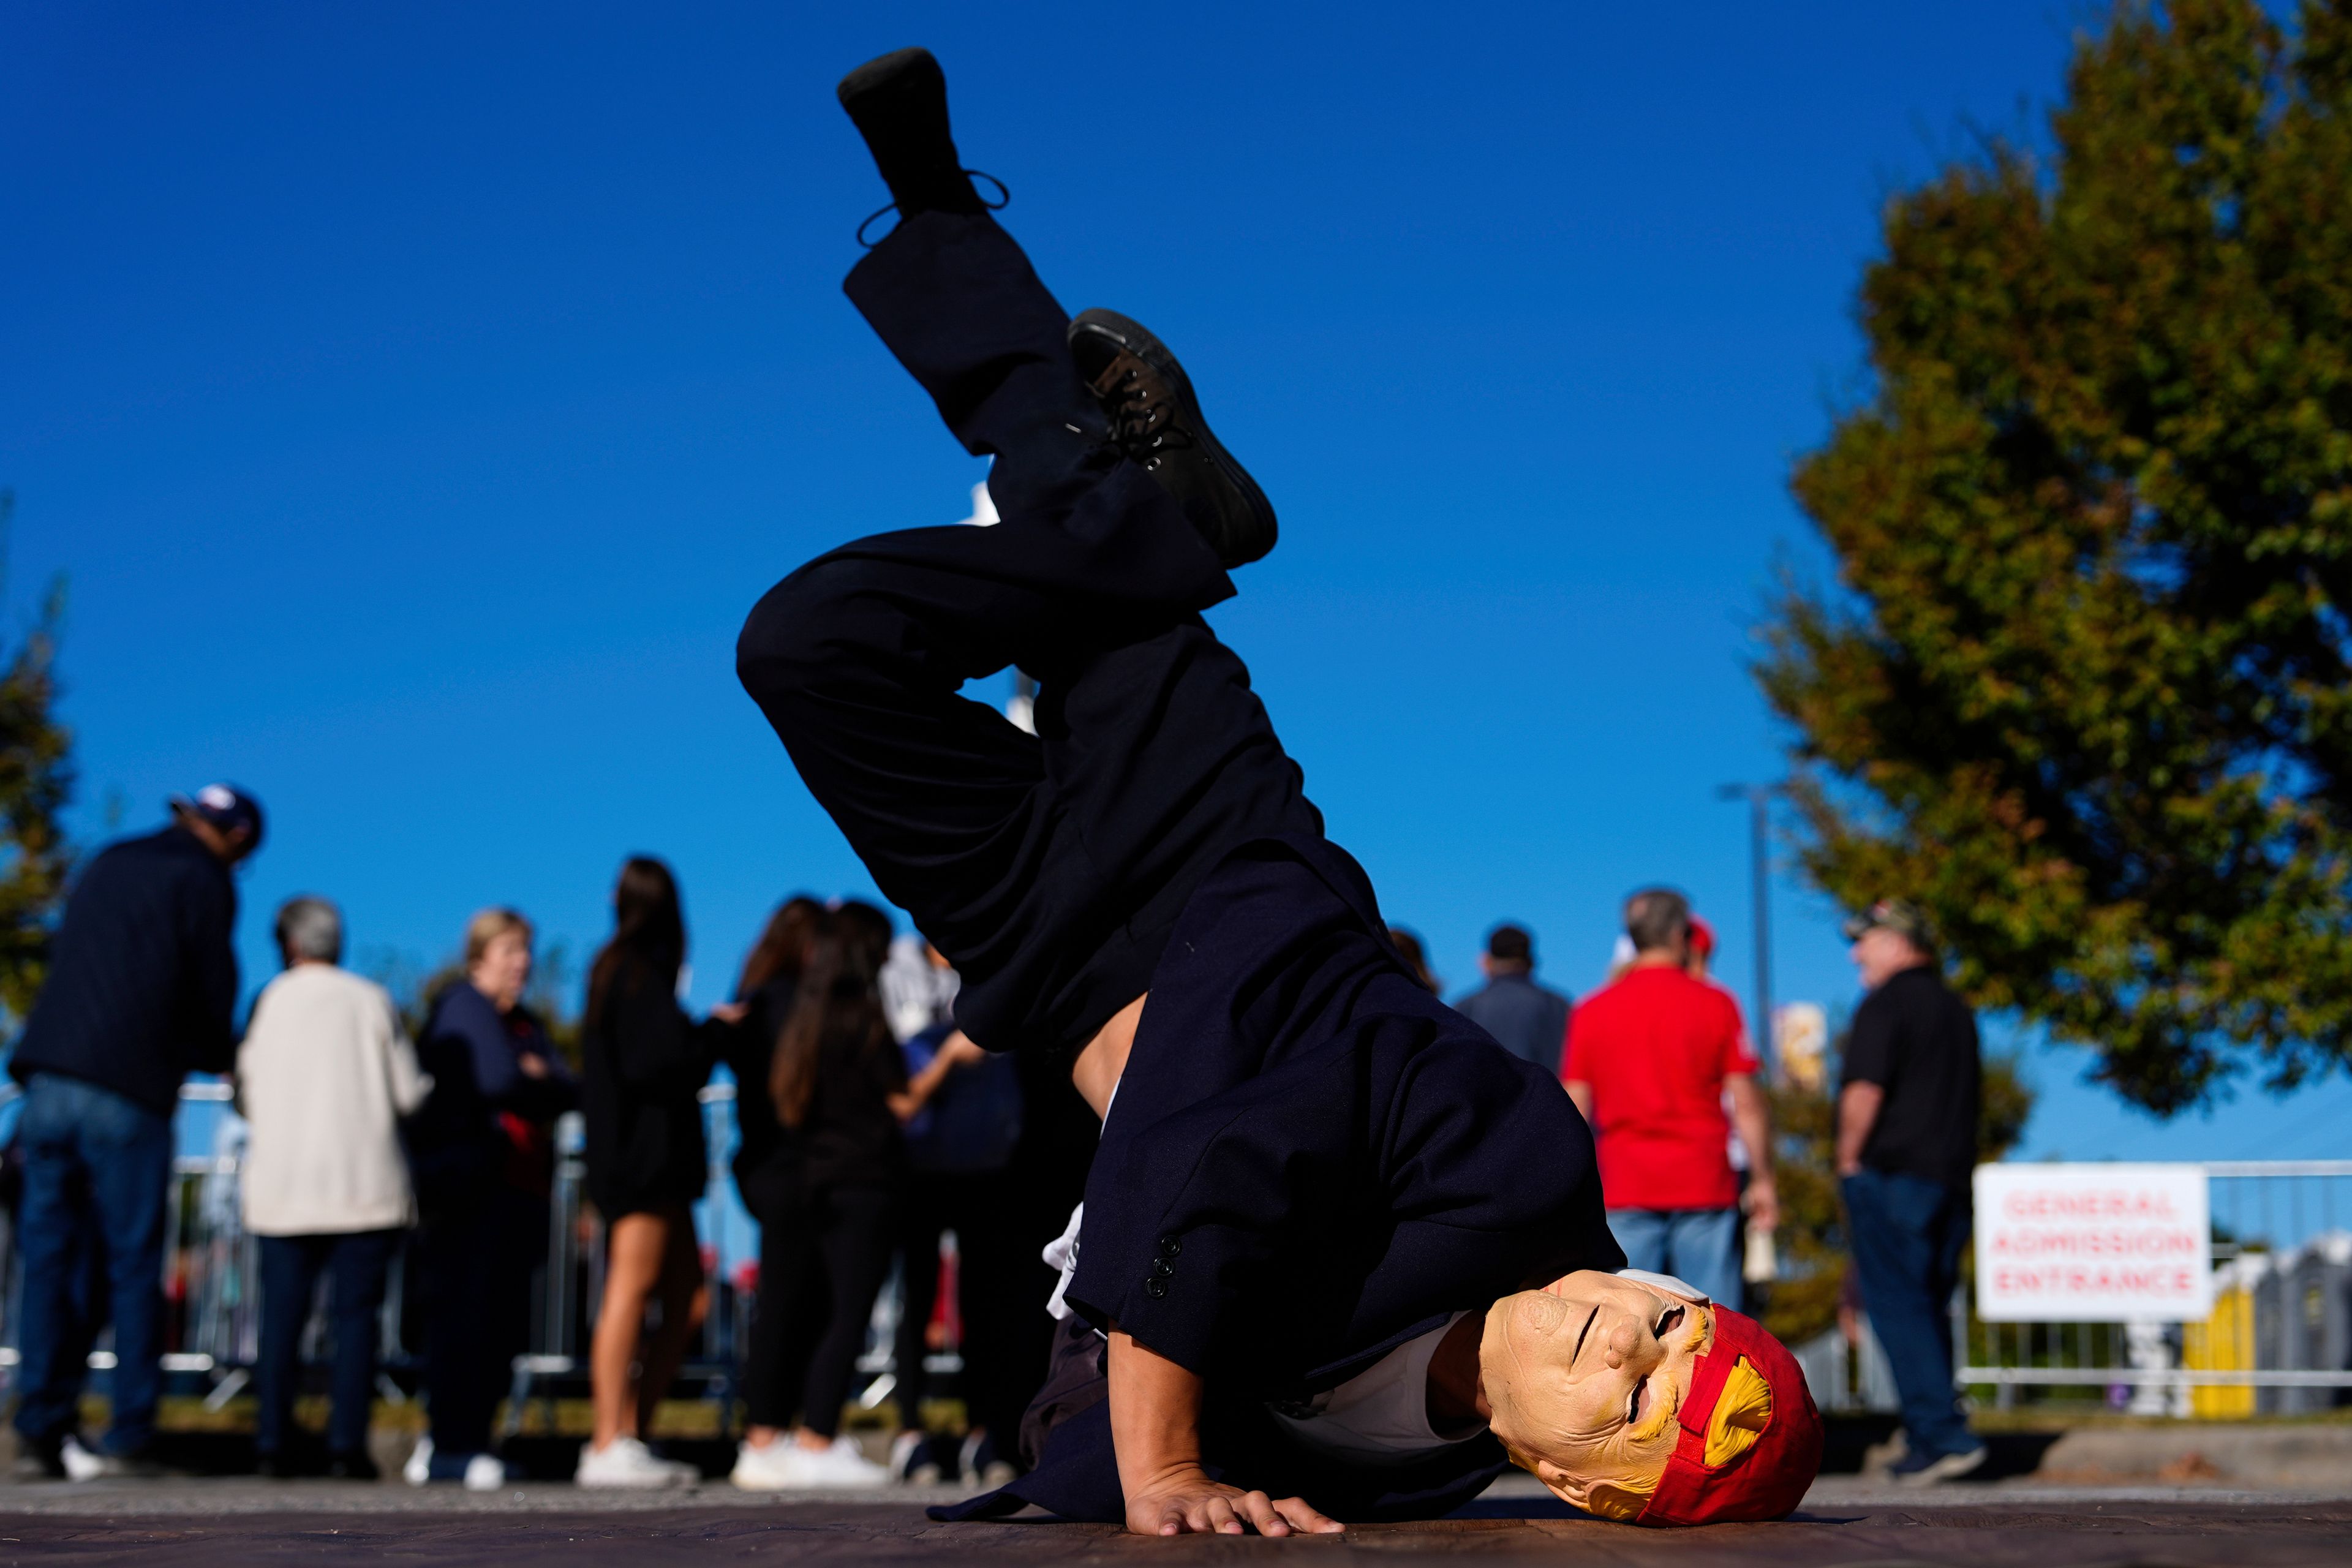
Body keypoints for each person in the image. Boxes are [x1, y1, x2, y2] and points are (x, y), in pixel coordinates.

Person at [733, 48, 1820, 1534]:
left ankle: (1151, 521)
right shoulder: (1523, 1174)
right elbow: (1238, 1115)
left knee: (806, 650)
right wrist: (1164, 1456)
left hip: (1051, 963)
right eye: (1680, 1326)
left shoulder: (1394, 1469)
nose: (1629, 1339)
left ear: (1570, 1480)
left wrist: (1118, 1433)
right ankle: (974, 276)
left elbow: (1067, 1436)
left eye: (1635, 1405)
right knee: (997, 526)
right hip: (1215, 861)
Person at [9, 784, 262, 1480]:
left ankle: (38, 1424)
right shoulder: (203, 879)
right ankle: (129, 1431)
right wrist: (222, 1055)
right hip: (127, 1085)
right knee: (131, 1263)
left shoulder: (111, 857)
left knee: (48, 1260)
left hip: (51, 1076)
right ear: (236, 839)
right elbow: (210, 986)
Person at [726, 902, 978, 1489]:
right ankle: (818, 1436)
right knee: (849, 1313)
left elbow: (788, 1099)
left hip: (816, 1180)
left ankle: (776, 1436)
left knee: (804, 1310)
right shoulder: (863, 1017)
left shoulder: (805, 1019)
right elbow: (903, 1102)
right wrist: (948, 1058)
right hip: (869, 1181)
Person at [236, 895, 431, 1479]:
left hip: (285, 1186)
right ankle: (347, 1447)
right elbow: (408, 1092)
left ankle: (272, 1441)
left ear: (288, 943)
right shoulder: (370, 999)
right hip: (363, 1183)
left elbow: (246, 1090)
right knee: (355, 1323)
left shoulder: (270, 1001)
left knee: (282, 1321)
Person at [404, 907, 577, 1490]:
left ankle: (475, 1438)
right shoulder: (465, 1006)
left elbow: (568, 1086)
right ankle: (452, 1443)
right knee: (466, 1318)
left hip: (520, 1188)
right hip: (471, 1190)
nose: (522, 962)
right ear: (480, 956)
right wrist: (537, 1079)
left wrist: (539, 1077)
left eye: (526, 950)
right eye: (510, 950)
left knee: (502, 1324)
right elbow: (500, 1079)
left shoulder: (525, 1022)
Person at [575, 858, 726, 1488]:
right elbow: (659, 1061)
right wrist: (711, 1033)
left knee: (687, 1295)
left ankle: (629, 1432)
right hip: (642, 1162)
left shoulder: (623, 971)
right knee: (631, 1291)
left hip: (651, 1162)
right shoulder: (635, 974)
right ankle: (609, 1440)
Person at [1562, 889, 1776, 1310]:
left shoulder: (1592, 1010)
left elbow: (1574, 1109)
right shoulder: (1717, 1003)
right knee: (1714, 1328)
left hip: (1625, 1183)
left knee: (1630, 1328)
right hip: (1704, 1181)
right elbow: (1747, 1103)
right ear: (1681, 935)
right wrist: (1765, 1179)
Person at [1837, 899, 1985, 1483]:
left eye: (1865, 940)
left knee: (1899, 1307)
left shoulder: (1886, 1003)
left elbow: (1863, 1091)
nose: (1856, 953)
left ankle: (1943, 1435)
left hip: (1893, 1176)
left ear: (1898, 941)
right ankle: (1930, 1434)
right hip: (1948, 1179)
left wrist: (1848, 1158)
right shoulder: (1956, 1009)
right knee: (1929, 1307)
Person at [888, 991, 1029, 1487]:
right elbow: (903, 1104)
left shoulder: (1004, 1035)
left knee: (984, 1310)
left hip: (987, 1176)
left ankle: (983, 1434)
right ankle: (910, 1435)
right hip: (924, 1176)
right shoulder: (916, 1039)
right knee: (918, 1303)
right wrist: (947, 1058)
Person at [1452, 925, 1571, 1074]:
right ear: (1532, 962)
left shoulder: (1465, 1009)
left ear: (1486, 962)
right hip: (1549, 1095)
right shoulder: (1559, 1006)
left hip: (1485, 1096)